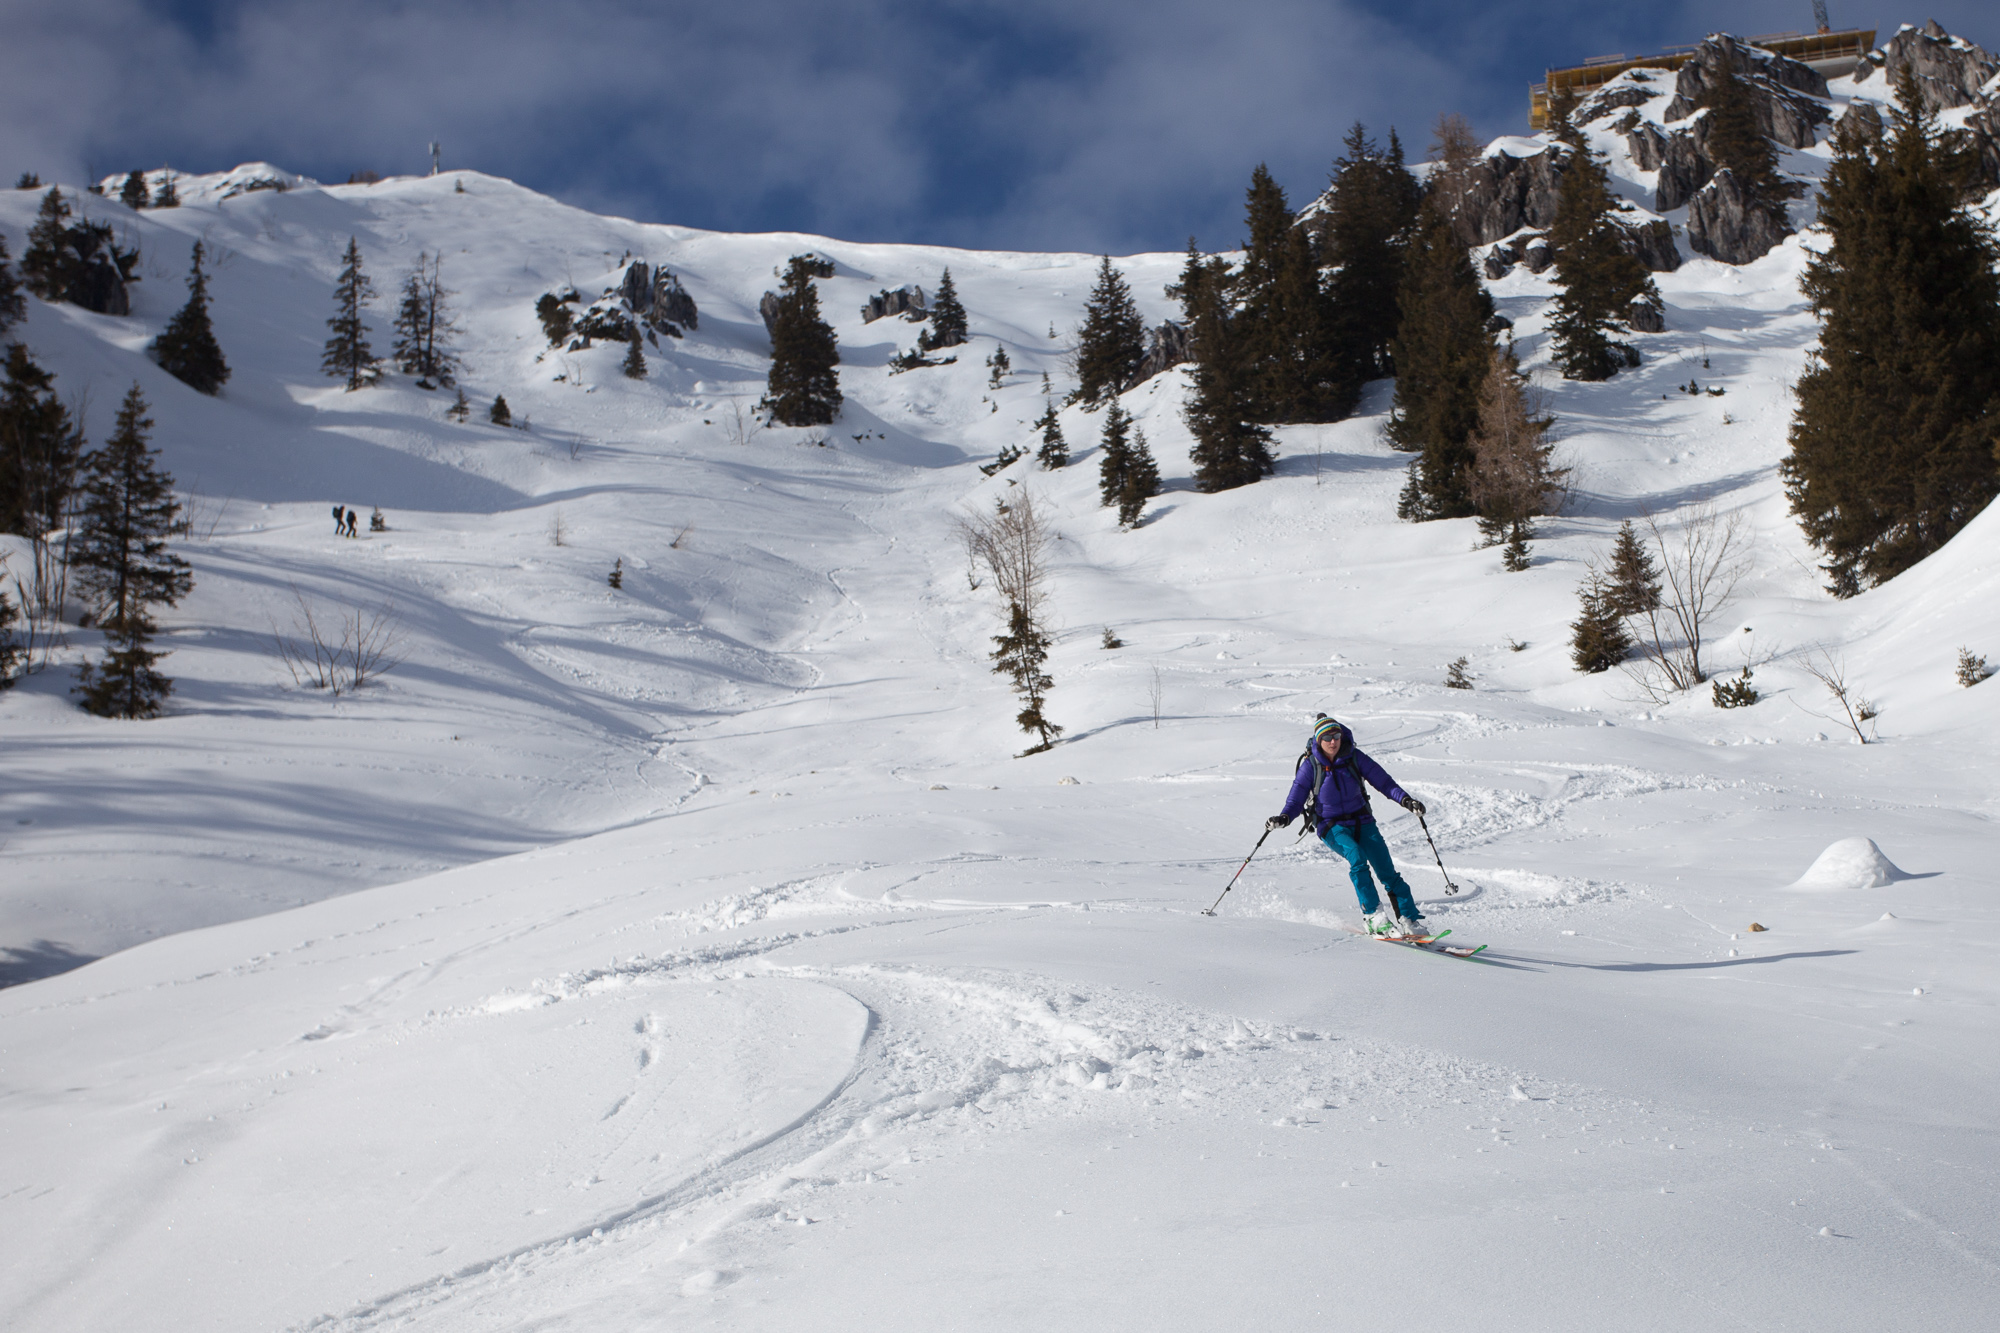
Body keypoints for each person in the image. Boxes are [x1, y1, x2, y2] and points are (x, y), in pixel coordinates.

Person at [1268, 715, 1431, 938]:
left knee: (1387, 871)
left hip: (1362, 820)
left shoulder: (1354, 757)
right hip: (1331, 825)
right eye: (1327, 737)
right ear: (1318, 740)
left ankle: (1409, 920)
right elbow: (1296, 800)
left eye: (1336, 736)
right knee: (1356, 858)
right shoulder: (1310, 766)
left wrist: (1406, 800)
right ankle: (1373, 916)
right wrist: (1284, 818)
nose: (1333, 741)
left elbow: (1383, 782)